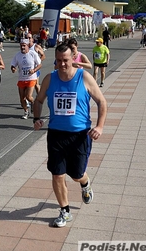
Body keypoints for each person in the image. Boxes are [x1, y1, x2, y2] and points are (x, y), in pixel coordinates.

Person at [33, 43, 107, 228]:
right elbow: (39, 100)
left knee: (76, 174)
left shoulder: (84, 77)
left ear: (73, 58)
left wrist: (99, 126)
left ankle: (85, 182)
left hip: (80, 135)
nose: (62, 64)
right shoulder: (50, 79)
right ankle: (64, 211)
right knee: (57, 174)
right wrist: (36, 117)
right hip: (56, 134)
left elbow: (101, 101)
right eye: (58, 61)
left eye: (65, 60)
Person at [11, 38, 42, 119]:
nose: (22, 47)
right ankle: (26, 111)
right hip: (21, 78)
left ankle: (33, 102)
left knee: (28, 96)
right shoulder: (17, 55)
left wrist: (34, 70)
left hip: (31, 78)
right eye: (21, 46)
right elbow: (13, 65)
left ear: (28, 46)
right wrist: (13, 68)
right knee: (22, 98)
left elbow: (40, 65)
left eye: (24, 46)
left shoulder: (33, 54)